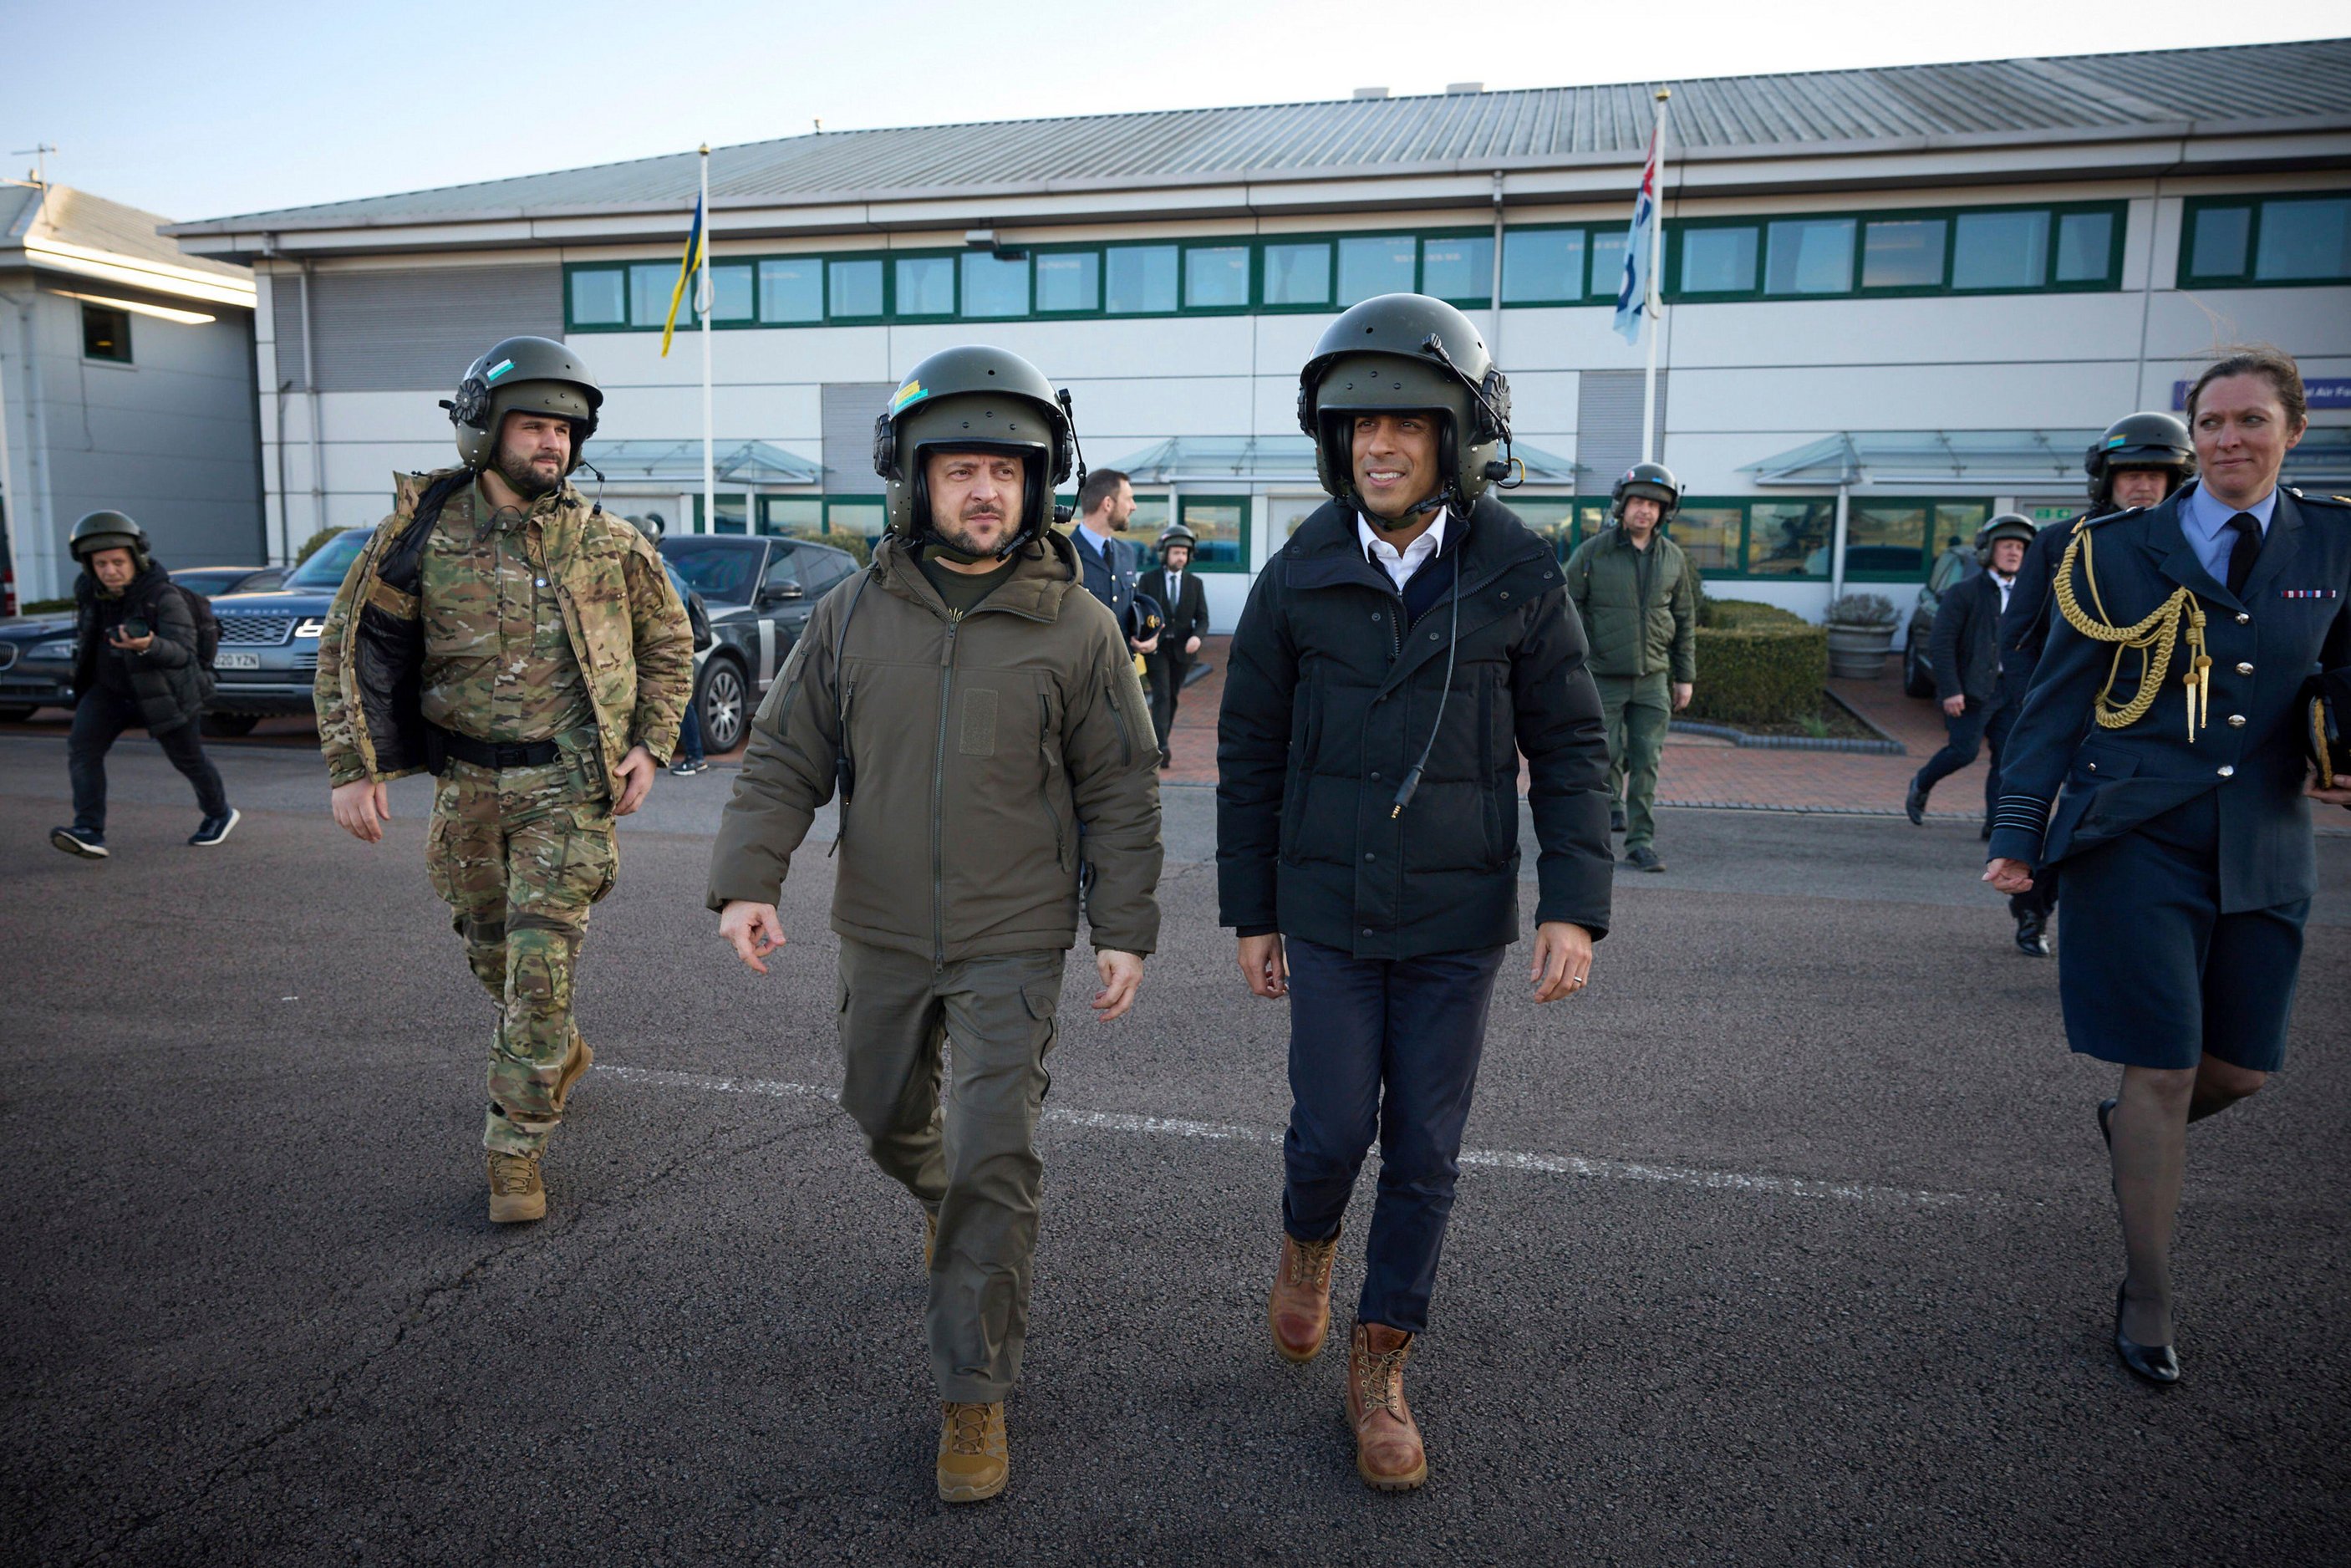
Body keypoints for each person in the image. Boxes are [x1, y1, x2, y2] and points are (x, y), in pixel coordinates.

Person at [709, 345, 1161, 1504]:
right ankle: (939, 1203)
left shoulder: (1081, 629)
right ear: (911, 482)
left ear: (1038, 484)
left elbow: (1121, 786)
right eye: (958, 469)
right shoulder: (852, 615)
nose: (983, 492)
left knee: (997, 1158)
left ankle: (973, 1396)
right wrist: (749, 878)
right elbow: (785, 757)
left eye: (1006, 472)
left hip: (1016, 937)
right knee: (879, 1112)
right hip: (884, 929)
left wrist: (1124, 924)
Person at [1219, 293, 1613, 1492]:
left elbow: (1576, 745)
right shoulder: (1296, 576)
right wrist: (1254, 911)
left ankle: (1380, 1363)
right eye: (1356, 426)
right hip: (1328, 910)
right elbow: (1249, 755)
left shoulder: (1521, 572)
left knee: (1428, 1148)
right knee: (1334, 1126)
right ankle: (1307, 1243)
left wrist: (1572, 901)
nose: (1378, 445)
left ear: (1459, 435)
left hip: (1456, 918)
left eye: (1406, 422)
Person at [1984, 346, 2351, 1387]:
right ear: (2192, 436)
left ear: (2290, 431)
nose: (2229, 439)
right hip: (2131, 834)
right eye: (2212, 422)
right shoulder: (2107, 549)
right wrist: (2018, 834)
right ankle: (2146, 1292)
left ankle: (2135, 1131)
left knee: (2239, 1069)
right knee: (2162, 1065)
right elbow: (2052, 698)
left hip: (2266, 837)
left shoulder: (2334, 536)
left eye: (2251, 421)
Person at [315, 335, 693, 1224]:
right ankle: (554, 1051)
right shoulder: (417, 538)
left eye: (565, 429)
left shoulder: (608, 544)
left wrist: (650, 745)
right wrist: (352, 765)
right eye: (533, 426)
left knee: (536, 968)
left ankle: (513, 1155)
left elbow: (669, 644)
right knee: (491, 950)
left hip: (568, 786)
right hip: (467, 788)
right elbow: (352, 647)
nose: (552, 445)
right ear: (484, 430)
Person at [1996, 414, 2196, 944]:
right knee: (2053, 817)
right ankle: (2033, 914)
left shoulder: (2198, 545)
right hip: (2068, 714)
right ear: (2105, 478)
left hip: (2146, 725)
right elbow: (2020, 636)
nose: (2143, 484)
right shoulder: (2064, 540)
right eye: (2129, 472)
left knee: (2104, 833)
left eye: (2157, 474)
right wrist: (2033, 703)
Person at [48, 511, 236, 858]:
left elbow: (183, 654)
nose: (110, 571)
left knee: (188, 760)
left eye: (118, 562)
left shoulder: (163, 597)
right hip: (110, 691)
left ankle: (220, 813)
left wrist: (147, 644)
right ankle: (89, 830)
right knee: (83, 750)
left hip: (165, 691)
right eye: (101, 564)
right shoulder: (89, 593)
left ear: (136, 558)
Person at [1564, 461, 1698, 872]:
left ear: (1664, 513)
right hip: (1602, 677)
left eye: (1654, 505)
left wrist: (1685, 677)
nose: (1645, 511)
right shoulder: (1592, 554)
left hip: (1654, 679)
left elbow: (1685, 619)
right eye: (1638, 502)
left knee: (1647, 759)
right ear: (1622, 505)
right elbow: (1566, 608)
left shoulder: (1673, 559)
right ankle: (1606, 821)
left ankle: (1641, 841)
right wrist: (1576, 662)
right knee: (1606, 754)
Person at [1906, 516, 2036, 854]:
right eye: (2007, 546)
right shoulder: (1963, 593)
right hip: (1972, 690)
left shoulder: (2032, 595)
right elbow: (1942, 644)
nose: (2013, 553)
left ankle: (1995, 823)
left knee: (2006, 760)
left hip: (2013, 691)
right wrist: (1950, 689)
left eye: (2020, 547)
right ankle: (1921, 782)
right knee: (1963, 752)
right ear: (1989, 551)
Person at [1137, 522, 1210, 768]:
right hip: (1156, 648)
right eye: (1176, 552)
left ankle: (1161, 741)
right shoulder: (1148, 580)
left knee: (1172, 696)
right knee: (1161, 694)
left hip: (1183, 651)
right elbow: (1138, 611)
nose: (1180, 557)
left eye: (1184, 553)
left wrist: (1197, 637)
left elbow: (1202, 618)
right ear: (1164, 553)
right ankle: (1160, 747)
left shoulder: (1195, 583)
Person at [1070, 466, 1158, 669]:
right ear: (1108, 503)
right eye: (1129, 499)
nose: (1133, 507)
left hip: (1123, 670)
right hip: (1081, 675)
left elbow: (1133, 606)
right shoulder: (1063, 554)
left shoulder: (1127, 552)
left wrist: (1150, 637)